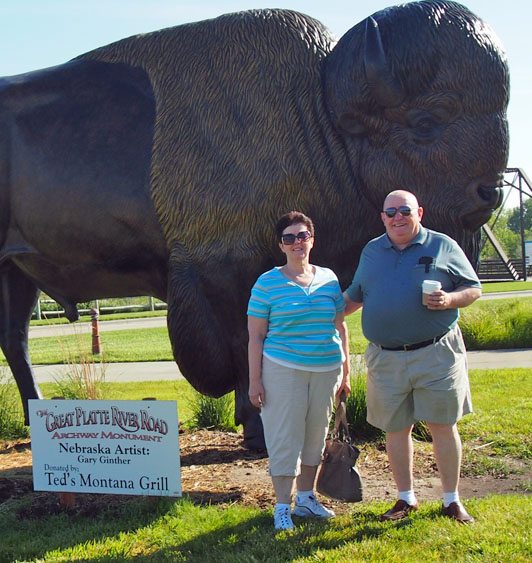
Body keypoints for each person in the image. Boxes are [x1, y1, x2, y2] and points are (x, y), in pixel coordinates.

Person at [344, 190, 481, 524]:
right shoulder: (373, 251)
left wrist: (449, 300)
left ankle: (451, 500)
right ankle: (406, 498)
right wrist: (319, 313)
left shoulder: (442, 245)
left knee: (442, 426)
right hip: (386, 359)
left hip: (436, 354)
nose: (397, 217)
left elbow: (473, 288)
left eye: (404, 210)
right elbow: (354, 295)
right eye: (390, 212)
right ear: (382, 217)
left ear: (418, 211)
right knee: (395, 429)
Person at [247, 211, 350, 531]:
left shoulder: (329, 279)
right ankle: (282, 506)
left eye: (302, 236)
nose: (297, 243)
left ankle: (306, 499)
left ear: (312, 240)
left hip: (326, 370)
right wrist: (254, 381)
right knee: (284, 438)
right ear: (281, 245)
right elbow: (256, 336)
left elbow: (340, 325)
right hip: (283, 371)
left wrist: (346, 370)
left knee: (315, 437)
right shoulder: (267, 283)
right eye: (289, 238)